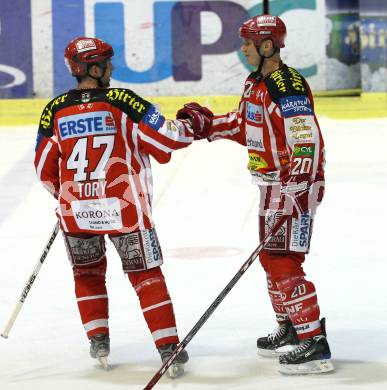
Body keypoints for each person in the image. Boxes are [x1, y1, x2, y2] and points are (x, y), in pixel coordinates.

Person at [34, 37, 210, 377]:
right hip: (124, 210)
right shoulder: (121, 100)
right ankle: (168, 347)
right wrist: (190, 123)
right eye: (108, 63)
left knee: (86, 274)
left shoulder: (54, 109)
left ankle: (98, 339)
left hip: (76, 212)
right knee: (146, 275)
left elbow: (44, 169)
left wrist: (68, 198)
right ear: (94, 68)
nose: (112, 69)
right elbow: (167, 139)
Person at [176, 15, 334, 375]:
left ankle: (314, 343)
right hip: (269, 184)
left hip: (294, 185)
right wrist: (207, 125)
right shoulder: (255, 83)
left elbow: (306, 140)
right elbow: (244, 125)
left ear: (266, 46)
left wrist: (298, 187)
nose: (242, 48)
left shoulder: (287, 85)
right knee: (271, 260)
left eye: (248, 42)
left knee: (283, 261)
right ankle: (292, 325)